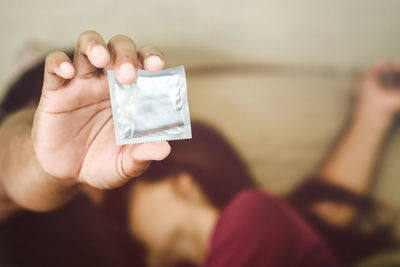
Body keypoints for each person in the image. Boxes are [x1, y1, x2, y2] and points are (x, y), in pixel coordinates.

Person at [0, 30, 398, 266]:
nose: (84, 127)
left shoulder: (174, 169)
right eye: (57, 115)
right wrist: (43, 159)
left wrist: (373, 114)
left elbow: (304, 225)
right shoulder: (26, 236)